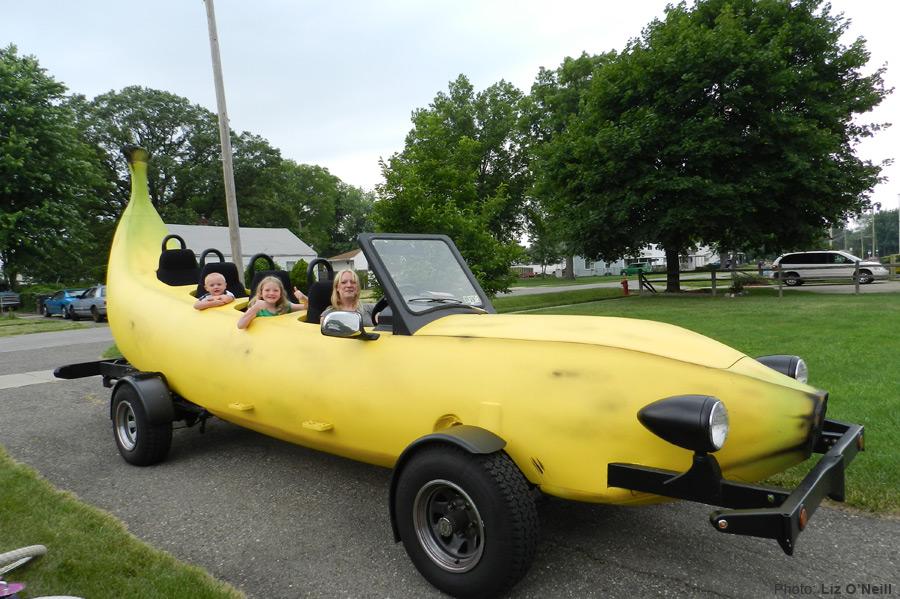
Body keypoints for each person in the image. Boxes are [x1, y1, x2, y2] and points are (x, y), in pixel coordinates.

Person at [237, 275, 307, 329]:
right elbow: (240, 325)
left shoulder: (285, 306)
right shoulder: (257, 309)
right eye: (267, 290)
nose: (271, 293)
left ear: (281, 294)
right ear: (261, 293)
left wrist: (304, 298)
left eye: (275, 290)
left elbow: (308, 307)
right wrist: (255, 308)